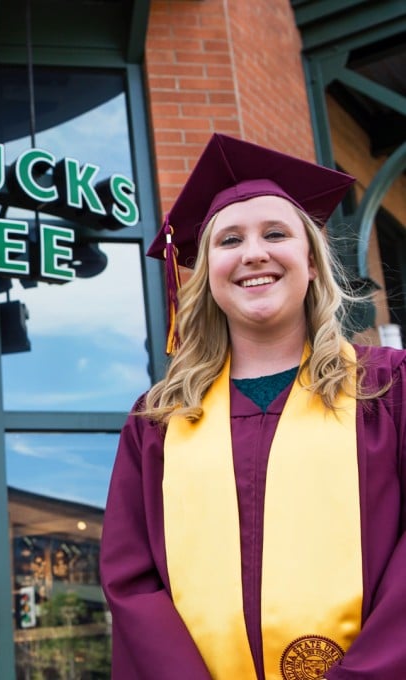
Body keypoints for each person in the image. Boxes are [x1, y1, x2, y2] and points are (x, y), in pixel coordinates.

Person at [100, 133, 406, 679]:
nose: (254, 254)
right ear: (205, 274)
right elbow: (132, 581)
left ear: (312, 262)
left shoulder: (387, 388)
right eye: (229, 240)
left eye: (275, 233)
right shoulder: (159, 421)